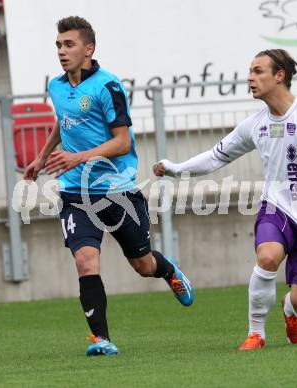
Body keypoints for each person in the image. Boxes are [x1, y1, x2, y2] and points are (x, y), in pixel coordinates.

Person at [24, 16, 194, 357]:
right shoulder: (57, 86)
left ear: (89, 49)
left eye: (69, 44)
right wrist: (42, 157)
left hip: (118, 191)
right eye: (58, 45)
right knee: (86, 261)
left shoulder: (108, 86)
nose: (61, 51)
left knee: (143, 265)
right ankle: (101, 339)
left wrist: (79, 157)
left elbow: (121, 142)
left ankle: (169, 270)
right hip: (75, 193)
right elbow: (64, 120)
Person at [154, 49, 297, 350]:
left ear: (280, 76)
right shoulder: (256, 124)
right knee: (267, 257)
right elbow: (216, 157)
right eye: (250, 71)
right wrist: (176, 169)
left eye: (258, 71)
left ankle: (292, 311)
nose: (250, 78)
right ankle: (256, 333)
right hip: (276, 208)